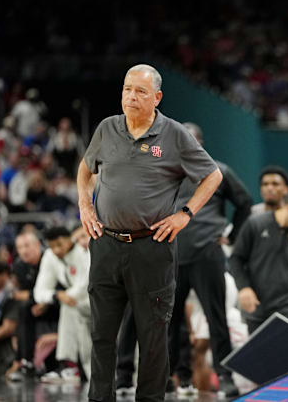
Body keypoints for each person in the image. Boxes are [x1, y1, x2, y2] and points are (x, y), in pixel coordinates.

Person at [77, 64, 222, 402]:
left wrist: (185, 214)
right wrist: (85, 205)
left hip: (151, 247)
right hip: (106, 244)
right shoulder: (107, 128)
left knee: (153, 337)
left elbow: (212, 176)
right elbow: (85, 169)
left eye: (140, 91)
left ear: (157, 97)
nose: (131, 96)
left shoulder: (173, 134)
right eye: (127, 89)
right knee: (101, 334)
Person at [168, 122, 250, 396]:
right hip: (174, 253)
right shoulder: (168, 172)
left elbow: (245, 202)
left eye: (192, 140)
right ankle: (173, 376)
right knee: (170, 320)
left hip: (207, 252)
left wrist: (232, 235)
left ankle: (225, 377)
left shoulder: (219, 171)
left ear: (200, 143)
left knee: (217, 319)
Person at [230, 187, 288, 332]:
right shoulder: (256, 224)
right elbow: (236, 259)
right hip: (257, 310)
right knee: (259, 355)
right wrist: (244, 288)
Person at [33, 227, 91, 383]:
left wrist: (65, 296)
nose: (56, 250)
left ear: (69, 239)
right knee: (69, 308)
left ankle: (72, 368)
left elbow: (83, 286)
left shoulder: (83, 253)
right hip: (76, 306)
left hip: (95, 302)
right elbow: (39, 291)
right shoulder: (50, 256)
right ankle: (69, 367)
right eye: (52, 246)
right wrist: (56, 295)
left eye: (59, 244)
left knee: (70, 306)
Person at [7, 230, 58, 380]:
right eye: (20, 247)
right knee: (23, 309)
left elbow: (60, 287)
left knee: (26, 305)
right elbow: (21, 295)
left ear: (37, 245)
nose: (24, 250)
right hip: (36, 305)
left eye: (27, 246)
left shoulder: (50, 259)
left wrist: (45, 302)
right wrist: (34, 298)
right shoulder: (19, 266)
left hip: (58, 301)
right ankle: (26, 362)